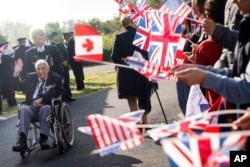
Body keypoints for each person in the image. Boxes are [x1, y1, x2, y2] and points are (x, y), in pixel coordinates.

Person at [171, 0, 249, 109]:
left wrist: (204, 76)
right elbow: (234, 67)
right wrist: (201, 70)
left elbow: (245, 87)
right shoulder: (233, 8)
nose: (234, 1)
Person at [111, 15, 153, 126]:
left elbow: (114, 57)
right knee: (143, 97)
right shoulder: (142, 36)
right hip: (141, 71)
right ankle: (145, 123)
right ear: (133, 22)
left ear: (122, 24)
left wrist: (123, 60)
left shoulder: (119, 37)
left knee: (131, 99)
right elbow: (148, 54)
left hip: (126, 72)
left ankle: (137, 123)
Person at [12, 59, 63, 152]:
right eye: (38, 69)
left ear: (48, 68)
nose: (40, 71)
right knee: (23, 109)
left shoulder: (55, 78)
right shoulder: (29, 77)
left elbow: (58, 92)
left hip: (47, 106)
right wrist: (16, 73)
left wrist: (42, 98)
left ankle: (43, 139)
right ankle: (22, 141)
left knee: (46, 108)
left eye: (43, 68)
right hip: (32, 106)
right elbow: (18, 87)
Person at [50, 32, 75, 102]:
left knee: (67, 80)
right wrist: (61, 62)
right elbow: (53, 58)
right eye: (55, 36)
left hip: (65, 65)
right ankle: (63, 98)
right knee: (61, 82)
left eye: (57, 36)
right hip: (58, 67)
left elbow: (66, 52)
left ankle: (69, 96)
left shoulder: (61, 44)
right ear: (52, 38)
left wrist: (66, 61)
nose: (57, 37)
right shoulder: (51, 46)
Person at [0, 42, 17, 108]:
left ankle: (9, 102)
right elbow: (13, 59)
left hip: (1, 75)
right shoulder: (6, 56)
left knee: (6, 90)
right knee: (10, 89)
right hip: (8, 74)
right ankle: (12, 102)